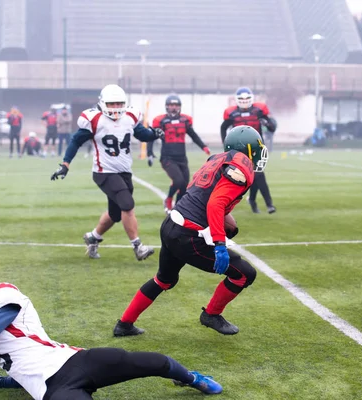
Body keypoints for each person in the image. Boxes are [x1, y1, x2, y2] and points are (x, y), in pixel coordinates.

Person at [113, 126, 266, 338]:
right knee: (244, 274)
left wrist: (225, 224)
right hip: (187, 235)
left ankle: (124, 324)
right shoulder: (242, 166)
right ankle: (212, 314)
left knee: (164, 280)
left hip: (171, 225)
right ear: (247, 149)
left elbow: (203, 196)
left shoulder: (218, 159)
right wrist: (220, 244)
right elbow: (215, 203)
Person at [0, 283, 222, 399]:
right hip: (53, 389)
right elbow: (23, 375)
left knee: (157, 362)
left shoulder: (1, 301)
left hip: (76, 359)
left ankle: (190, 378)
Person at [50, 84, 163, 261]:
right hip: (104, 172)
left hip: (124, 171)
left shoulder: (130, 117)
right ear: (103, 103)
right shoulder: (94, 119)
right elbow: (75, 141)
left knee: (115, 214)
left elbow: (141, 134)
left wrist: (154, 134)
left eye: (119, 104)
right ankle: (138, 246)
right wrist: (65, 164)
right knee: (127, 204)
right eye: (112, 104)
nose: (116, 108)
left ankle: (93, 237)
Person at [146, 95, 210, 214]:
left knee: (184, 186)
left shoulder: (185, 120)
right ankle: (169, 199)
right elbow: (152, 137)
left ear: (179, 107)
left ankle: (179, 208)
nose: (174, 108)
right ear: (167, 107)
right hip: (167, 157)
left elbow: (193, 135)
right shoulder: (161, 121)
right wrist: (149, 153)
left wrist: (203, 146)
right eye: (171, 105)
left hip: (182, 157)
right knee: (178, 181)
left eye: (176, 105)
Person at [221, 87, 276, 214]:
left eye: (247, 99)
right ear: (237, 100)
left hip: (256, 149)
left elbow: (272, 127)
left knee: (257, 174)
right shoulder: (232, 113)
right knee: (254, 175)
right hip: (240, 149)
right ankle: (263, 203)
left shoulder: (259, 111)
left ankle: (264, 203)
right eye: (241, 99)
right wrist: (226, 143)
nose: (244, 101)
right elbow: (223, 128)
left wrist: (267, 124)